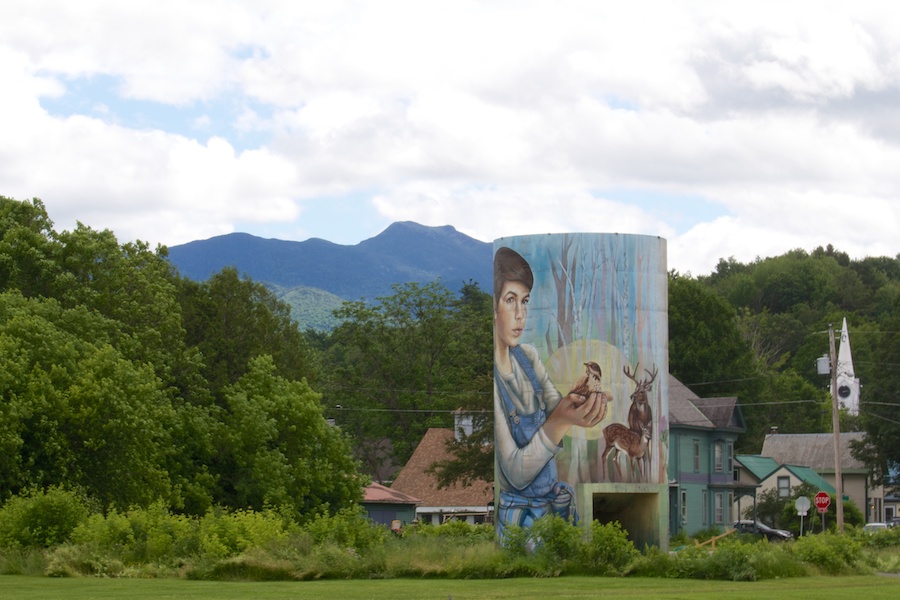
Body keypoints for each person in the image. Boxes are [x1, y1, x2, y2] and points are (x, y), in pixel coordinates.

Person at [493, 246, 604, 539]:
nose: (520, 315)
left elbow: (556, 405)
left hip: (552, 507)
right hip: (519, 519)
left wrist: (583, 398)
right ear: (493, 307)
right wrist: (561, 421)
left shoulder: (527, 357)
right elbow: (516, 472)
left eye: (525, 301)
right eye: (510, 300)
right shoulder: (495, 382)